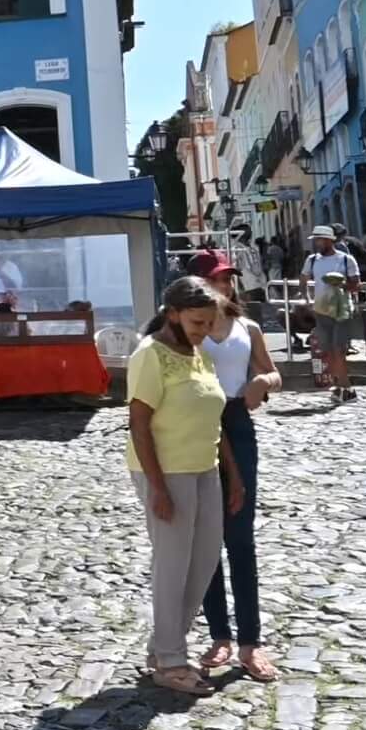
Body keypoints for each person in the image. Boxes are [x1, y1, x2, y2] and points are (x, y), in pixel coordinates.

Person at [126, 278, 243, 695]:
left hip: (205, 470)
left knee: (204, 563)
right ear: (173, 313)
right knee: (172, 567)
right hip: (167, 472)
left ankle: (163, 646)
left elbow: (214, 416)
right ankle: (171, 661)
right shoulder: (150, 355)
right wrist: (157, 486)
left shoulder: (196, 354)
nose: (204, 331)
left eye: (209, 323)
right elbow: (139, 424)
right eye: (197, 322)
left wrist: (231, 471)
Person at [185, 250, 280, 683]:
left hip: (238, 426)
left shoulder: (248, 327)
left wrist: (262, 382)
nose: (224, 286)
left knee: (240, 536)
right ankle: (219, 635)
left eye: (227, 279)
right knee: (206, 538)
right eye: (216, 280)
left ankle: (250, 642)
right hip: (196, 428)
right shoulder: (187, 331)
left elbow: (273, 373)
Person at [301, 226, 363, 403]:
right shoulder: (312, 260)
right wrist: (306, 299)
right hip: (321, 310)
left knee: (339, 349)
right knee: (328, 351)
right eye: (316, 239)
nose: (317, 243)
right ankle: (341, 387)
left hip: (341, 310)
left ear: (330, 240)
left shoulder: (345, 260)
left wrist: (340, 284)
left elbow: (356, 284)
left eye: (320, 239)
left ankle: (345, 387)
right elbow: (303, 279)